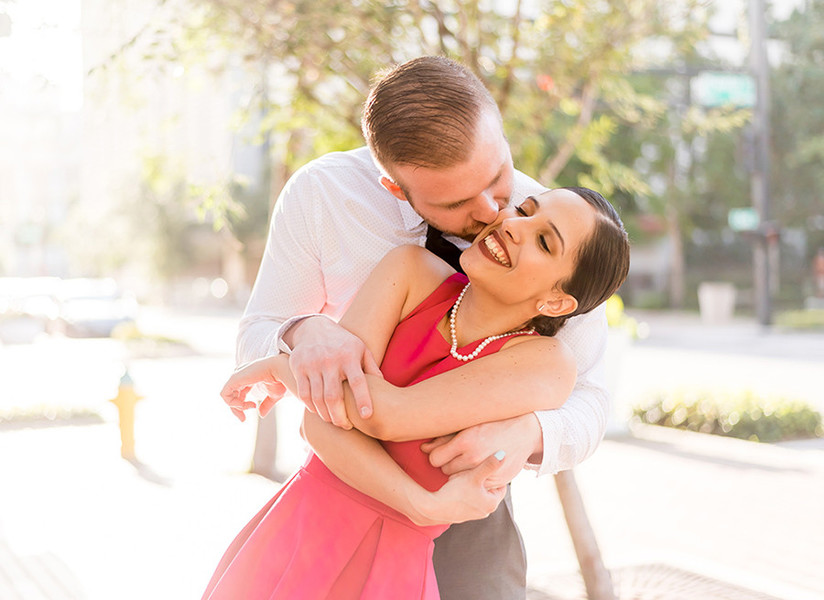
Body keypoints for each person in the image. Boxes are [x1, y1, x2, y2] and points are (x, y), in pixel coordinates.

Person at [234, 56, 613, 599]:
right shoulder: (323, 197)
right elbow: (259, 332)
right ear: (393, 186)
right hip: (343, 486)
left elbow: (592, 398)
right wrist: (301, 333)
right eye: (456, 203)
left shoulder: (549, 227)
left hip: (469, 516)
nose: (492, 213)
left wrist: (528, 433)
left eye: (497, 176)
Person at [205, 186, 631, 599]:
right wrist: (422, 504)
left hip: (392, 570)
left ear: (557, 302)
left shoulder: (547, 364)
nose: (514, 226)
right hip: (296, 533)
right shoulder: (408, 270)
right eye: (524, 210)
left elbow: (385, 413)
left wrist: (288, 369)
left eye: (543, 241)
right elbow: (320, 424)